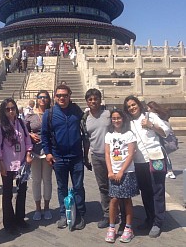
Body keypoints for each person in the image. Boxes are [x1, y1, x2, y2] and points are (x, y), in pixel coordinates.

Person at [42, 84, 89, 230]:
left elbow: (86, 127)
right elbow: (44, 135)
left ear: (70, 96)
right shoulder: (49, 114)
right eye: (59, 95)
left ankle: (80, 214)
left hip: (76, 156)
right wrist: (48, 153)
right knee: (61, 186)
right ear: (55, 97)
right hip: (58, 157)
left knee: (78, 186)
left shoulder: (76, 110)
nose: (62, 98)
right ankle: (64, 213)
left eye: (65, 95)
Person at [123, 95, 170, 238]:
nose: (132, 108)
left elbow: (166, 132)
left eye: (133, 104)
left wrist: (151, 125)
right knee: (146, 192)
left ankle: (158, 221)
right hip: (138, 162)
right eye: (129, 106)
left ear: (139, 104)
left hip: (155, 158)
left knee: (158, 190)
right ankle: (150, 218)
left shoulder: (151, 116)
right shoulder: (128, 123)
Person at [0, 98, 33, 234]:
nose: (11, 111)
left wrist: (28, 154)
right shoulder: (0, 127)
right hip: (7, 164)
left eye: (13, 108)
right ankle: (8, 222)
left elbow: (28, 141)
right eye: (8, 109)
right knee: (7, 194)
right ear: (3, 111)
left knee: (22, 192)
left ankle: (20, 219)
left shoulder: (21, 123)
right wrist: (1, 164)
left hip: (21, 163)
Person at [105, 109, 139, 243]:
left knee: (126, 200)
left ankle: (128, 228)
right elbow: (107, 154)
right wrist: (110, 171)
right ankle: (112, 227)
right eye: (114, 118)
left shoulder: (129, 134)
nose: (116, 120)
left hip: (127, 172)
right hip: (113, 171)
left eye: (118, 118)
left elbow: (131, 154)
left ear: (123, 119)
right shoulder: (108, 134)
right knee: (113, 200)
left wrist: (121, 171)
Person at [81, 89, 112, 229]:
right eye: (90, 99)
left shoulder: (109, 114)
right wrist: (85, 157)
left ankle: (121, 212)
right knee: (103, 186)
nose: (93, 101)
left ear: (100, 99)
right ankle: (107, 214)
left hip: (113, 156)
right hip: (97, 156)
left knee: (117, 185)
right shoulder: (85, 118)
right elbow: (86, 139)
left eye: (96, 99)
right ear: (87, 101)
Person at [25, 90, 53, 221]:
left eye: (45, 97)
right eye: (40, 97)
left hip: (48, 151)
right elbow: (24, 131)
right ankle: (37, 208)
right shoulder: (30, 115)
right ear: (37, 99)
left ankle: (46, 207)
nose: (43, 99)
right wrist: (30, 134)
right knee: (36, 180)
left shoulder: (52, 113)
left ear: (48, 99)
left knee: (47, 180)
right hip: (35, 151)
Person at [147, 101, 176, 179]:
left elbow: (165, 129)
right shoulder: (151, 116)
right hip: (158, 138)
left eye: (149, 107)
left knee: (164, 155)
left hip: (161, 138)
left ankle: (169, 171)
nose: (147, 109)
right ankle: (167, 170)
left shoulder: (155, 116)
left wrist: (152, 126)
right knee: (163, 155)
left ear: (153, 108)